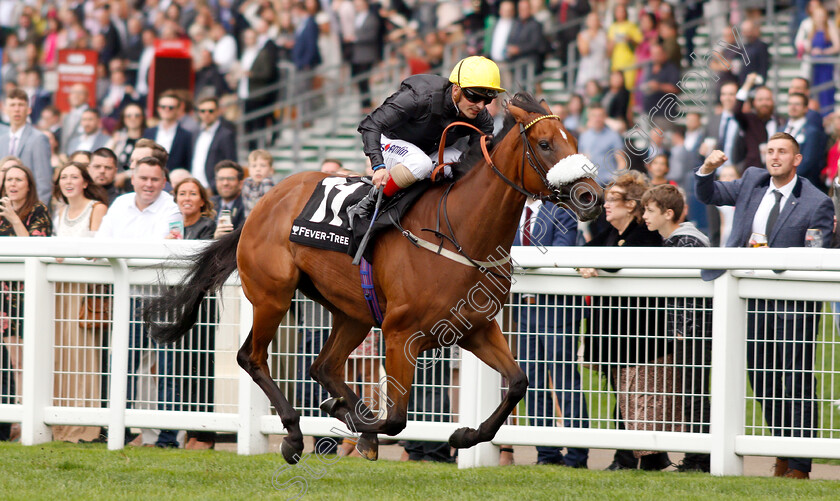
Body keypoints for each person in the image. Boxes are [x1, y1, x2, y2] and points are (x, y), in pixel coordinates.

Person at [696, 135, 834, 479]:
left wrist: (772, 261)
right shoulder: (753, 181)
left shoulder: (817, 203)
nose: (775, 157)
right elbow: (708, 194)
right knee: (762, 379)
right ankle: (782, 451)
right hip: (750, 300)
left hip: (792, 303)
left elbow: (814, 258)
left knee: (795, 380)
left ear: (797, 159)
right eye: (770, 151)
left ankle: (801, 463)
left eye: (782, 152)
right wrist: (706, 169)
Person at [578, 170, 672, 472]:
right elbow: (587, 252)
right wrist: (587, 261)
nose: (606, 204)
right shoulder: (608, 231)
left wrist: (596, 263)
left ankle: (631, 458)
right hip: (613, 333)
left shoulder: (644, 234)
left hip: (640, 334)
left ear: (631, 205)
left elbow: (624, 260)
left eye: (613, 199)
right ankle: (640, 459)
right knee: (624, 397)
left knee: (640, 398)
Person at [96, 155, 184, 448]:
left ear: (164, 181)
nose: (148, 184)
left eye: (155, 179)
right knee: (119, 365)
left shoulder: (171, 207)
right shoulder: (120, 204)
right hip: (126, 298)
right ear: (132, 178)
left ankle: (168, 438)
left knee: (169, 370)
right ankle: (115, 432)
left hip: (164, 300)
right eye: (143, 178)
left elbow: (166, 251)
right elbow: (100, 243)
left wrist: (125, 256)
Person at [352, 56, 504, 221]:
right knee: (420, 163)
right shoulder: (419, 96)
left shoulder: (481, 117)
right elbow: (370, 124)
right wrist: (378, 166)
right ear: (456, 90)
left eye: (487, 99)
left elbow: (477, 159)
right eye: (474, 97)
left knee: (464, 165)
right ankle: (368, 202)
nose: (480, 106)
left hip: (426, 152)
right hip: (389, 143)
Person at [641, 184, 712, 472]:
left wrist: (682, 329)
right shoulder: (677, 240)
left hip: (694, 333)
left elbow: (691, 294)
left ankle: (699, 459)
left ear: (668, 213)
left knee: (695, 394)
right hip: (687, 332)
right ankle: (697, 457)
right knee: (691, 393)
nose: (644, 215)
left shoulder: (685, 242)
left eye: (649, 210)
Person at [514, 198, 589, 467]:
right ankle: (546, 454)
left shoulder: (562, 211)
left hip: (557, 309)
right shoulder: (514, 209)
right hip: (524, 309)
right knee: (531, 384)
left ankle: (577, 455)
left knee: (565, 382)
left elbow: (560, 253)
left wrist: (517, 261)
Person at [50, 161, 109, 443]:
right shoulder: (59, 212)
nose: (69, 181)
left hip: (84, 291)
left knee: (84, 356)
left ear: (85, 181)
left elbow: (95, 252)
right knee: (60, 357)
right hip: (58, 290)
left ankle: (86, 425)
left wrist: (67, 254)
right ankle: (61, 424)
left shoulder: (97, 209)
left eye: (74, 176)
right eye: (64, 177)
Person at [0, 164, 52, 441]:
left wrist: (13, 217)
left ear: (29, 185)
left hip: (27, 294)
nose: (13, 184)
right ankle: (8, 422)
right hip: (2, 295)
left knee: (20, 362)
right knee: (4, 363)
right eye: (9, 179)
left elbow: (37, 247)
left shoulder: (38, 211)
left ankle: (23, 418)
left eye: (19, 179)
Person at [172, 177, 218, 449]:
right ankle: (189, 432)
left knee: (200, 369)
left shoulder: (208, 226)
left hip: (202, 307)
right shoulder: (172, 227)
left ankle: (204, 435)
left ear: (202, 201)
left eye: (192, 193)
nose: (186, 198)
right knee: (180, 370)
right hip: (178, 304)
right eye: (182, 193)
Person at [0, 89, 52, 204]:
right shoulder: (2, 139)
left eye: (21, 105)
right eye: (12, 105)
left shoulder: (39, 139)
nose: (17, 109)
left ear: (29, 109)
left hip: (29, 208)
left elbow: (43, 182)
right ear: (5, 109)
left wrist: (38, 214)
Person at [781, 93, 828, 190]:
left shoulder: (812, 132)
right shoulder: (780, 129)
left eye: (797, 104)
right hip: (780, 182)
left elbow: (808, 161)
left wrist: (786, 179)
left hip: (801, 185)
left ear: (806, 108)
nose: (793, 107)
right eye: (790, 104)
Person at [190, 97, 237, 191]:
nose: (206, 114)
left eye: (210, 111)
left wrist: (213, 187)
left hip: (213, 189)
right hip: (194, 185)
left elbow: (230, 163)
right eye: (202, 111)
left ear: (218, 112)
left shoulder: (226, 134)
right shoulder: (195, 133)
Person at [143, 91, 193, 172]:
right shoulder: (148, 133)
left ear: (178, 109)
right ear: (158, 109)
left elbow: (188, 164)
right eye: (163, 107)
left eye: (171, 107)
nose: (166, 110)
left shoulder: (186, 136)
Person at [577, 104, 624, 186]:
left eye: (600, 116)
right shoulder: (584, 136)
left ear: (605, 117)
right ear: (589, 117)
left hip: (608, 182)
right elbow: (580, 157)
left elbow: (621, 161)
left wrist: (617, 180)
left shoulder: (613, 136)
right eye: (594, 116)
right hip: (590, 182)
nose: (597, 119)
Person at [105, 103, 146, 173]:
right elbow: (104, 157)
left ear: (142, 118)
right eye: (129, 116)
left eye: (137, 116)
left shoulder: (148, 138)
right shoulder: (118, 135)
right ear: (123, 119)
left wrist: (125, 176)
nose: (133, 119)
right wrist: (114, 143)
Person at [211, 160, 247, 237]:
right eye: (221, 179)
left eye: (230, 179)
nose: (225, 183)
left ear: (241, 184)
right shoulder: (209, 204)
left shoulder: (247, 206)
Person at [575, 13, 608, 94]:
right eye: (591, 20)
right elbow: (584, 52)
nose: (593, 22)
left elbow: (608, 53)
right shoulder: (583, 35)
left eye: (595, 20)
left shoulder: (604, 35)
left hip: (601, 67)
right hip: (587, 69)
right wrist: (589, 38)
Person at [241, 150, 275, 217]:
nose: (258, 169)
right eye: (254, 166)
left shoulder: (267, 182)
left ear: (271, 170)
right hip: (249, 220)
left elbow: (264, 207)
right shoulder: (247, 182)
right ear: (249, 169)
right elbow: (247, 208)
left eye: (263, 166)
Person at [61, 84, 90, 155]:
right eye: (73, 92)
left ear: (86, 97)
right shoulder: (66, 116)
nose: (76, 96)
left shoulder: (91, 115)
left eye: (80, 93)